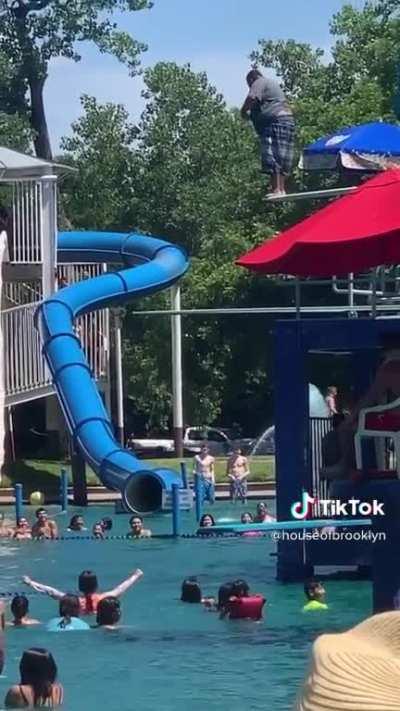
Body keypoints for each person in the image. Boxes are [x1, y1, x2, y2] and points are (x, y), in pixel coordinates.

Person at [241, 68, 295, 197]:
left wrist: (243, 111)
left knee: (273, 155)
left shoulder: (259, 82)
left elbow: (251, 97)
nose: (250, 87)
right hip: (287, 120)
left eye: (249, 84)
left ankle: (276, 190)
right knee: (283, 156)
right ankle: (280, 189)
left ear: (251, 79)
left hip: (274, 122)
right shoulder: (272, 84)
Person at [23, 568, 143, 615]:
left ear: (80, 586)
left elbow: (51, 591)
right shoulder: (103, 599)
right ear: (96, 585)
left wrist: (31, 583)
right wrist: (136, 576)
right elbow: (120, 589)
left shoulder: (73, 602)